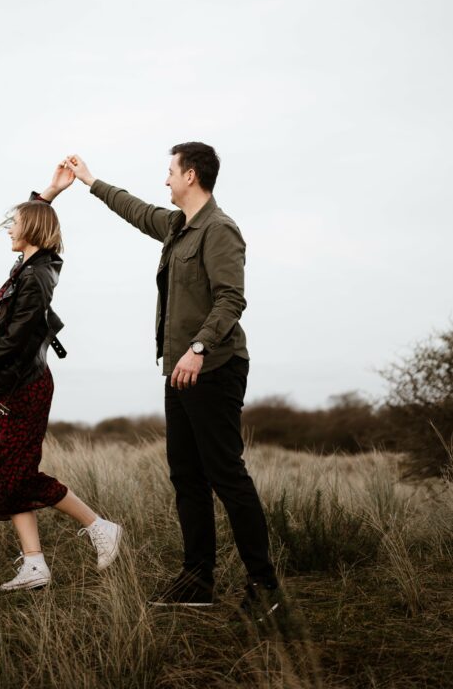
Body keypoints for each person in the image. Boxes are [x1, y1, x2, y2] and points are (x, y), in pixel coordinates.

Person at [66, 144, 280, 615]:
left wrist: (199, 349)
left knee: (227, 475)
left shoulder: (220, 231)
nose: (165, 181)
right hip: (179, 371)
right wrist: (90, 180)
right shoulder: (178, 227)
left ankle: (264, 588)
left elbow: (231, 299)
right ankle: (197, 580)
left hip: (214, 368)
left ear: (191, 175)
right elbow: (137, 211)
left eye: (169, 173)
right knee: (186, 476)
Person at [0, 163, 122, 592]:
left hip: (23, 389)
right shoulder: (29, 268)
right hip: (7, 387)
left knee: (15, 475)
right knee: (10, 474)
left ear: (32, 232)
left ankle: (99, 527)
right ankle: (35, 565)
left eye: (16, 223)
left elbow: (13, 342)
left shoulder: (37, 277)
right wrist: (50, 191)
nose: (9, 228)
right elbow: (35, 221)